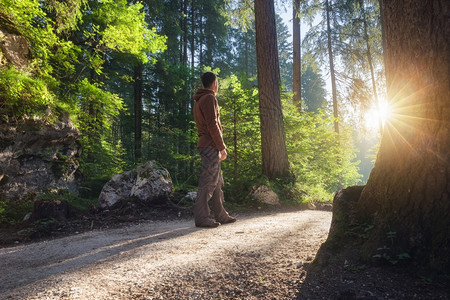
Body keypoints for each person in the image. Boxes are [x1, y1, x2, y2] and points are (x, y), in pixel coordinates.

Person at [192, 72, 236, 228]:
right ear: (214, 83)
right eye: (217, 83)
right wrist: (222, 147)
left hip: (207, 145)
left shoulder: (199, 100)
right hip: (210, 145)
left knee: (217, 181)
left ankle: (221, 215)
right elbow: (213, 125)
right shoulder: (209, 98)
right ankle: (202, 217)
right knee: (209, 181)